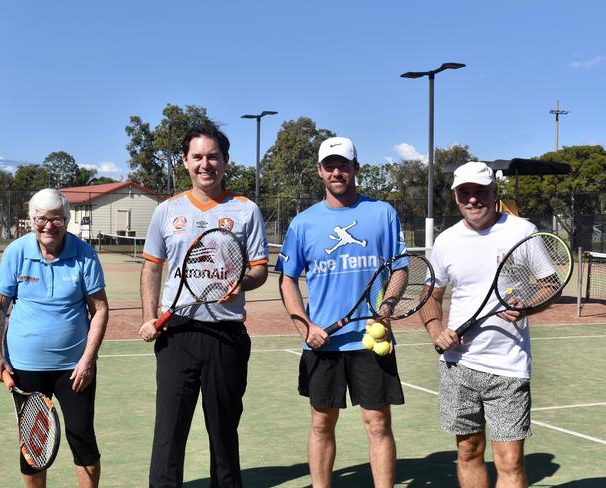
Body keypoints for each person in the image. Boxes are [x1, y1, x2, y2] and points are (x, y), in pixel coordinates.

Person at [139, 123, 268, 487]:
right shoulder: (167, 211)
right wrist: (150, 317)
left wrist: (239, 282)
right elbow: (152, 267)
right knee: (168, 434)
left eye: (213, 156)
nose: (205, 164)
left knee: (224, 434)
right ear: (185, 161)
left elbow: (259, 271)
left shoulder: (245, 211)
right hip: (176, 333)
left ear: (225, 161)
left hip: (225, 335)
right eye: (197, 156)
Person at [276, 136, 406, 487]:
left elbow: (401, 268)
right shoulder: (303, 223)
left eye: (343, 165)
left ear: (356, 169)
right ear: (320, 171)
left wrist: (388, 306)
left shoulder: (382, 213)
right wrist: (305, 326)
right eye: (330, 166)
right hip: (323, 344)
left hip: (369, 340)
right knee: (321, 423)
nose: (337, 172)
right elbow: (287, 280)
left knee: (378, 423)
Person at [420, 161, 544, 488]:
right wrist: (436, 330)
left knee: (511, 459)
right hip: (458, 365)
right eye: (465, 193)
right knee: (468, 451)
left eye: (480, 192)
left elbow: (550, 284)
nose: (472, 200)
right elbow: (430, 295)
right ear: (456, 198)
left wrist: (528, 306)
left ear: (494, 192)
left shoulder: (522, 231)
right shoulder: (446, 241)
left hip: (509, 365)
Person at [0, 188, 109, 488]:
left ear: (66, 220)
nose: (48, 226)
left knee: (82, 438)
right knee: (33, 446)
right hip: (25, 368)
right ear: (32, 220)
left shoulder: (84, 254)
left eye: (55, 219)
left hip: (74, 369)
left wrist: (87, 361)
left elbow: (100, 310)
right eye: (41, 218)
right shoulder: (17, 252)